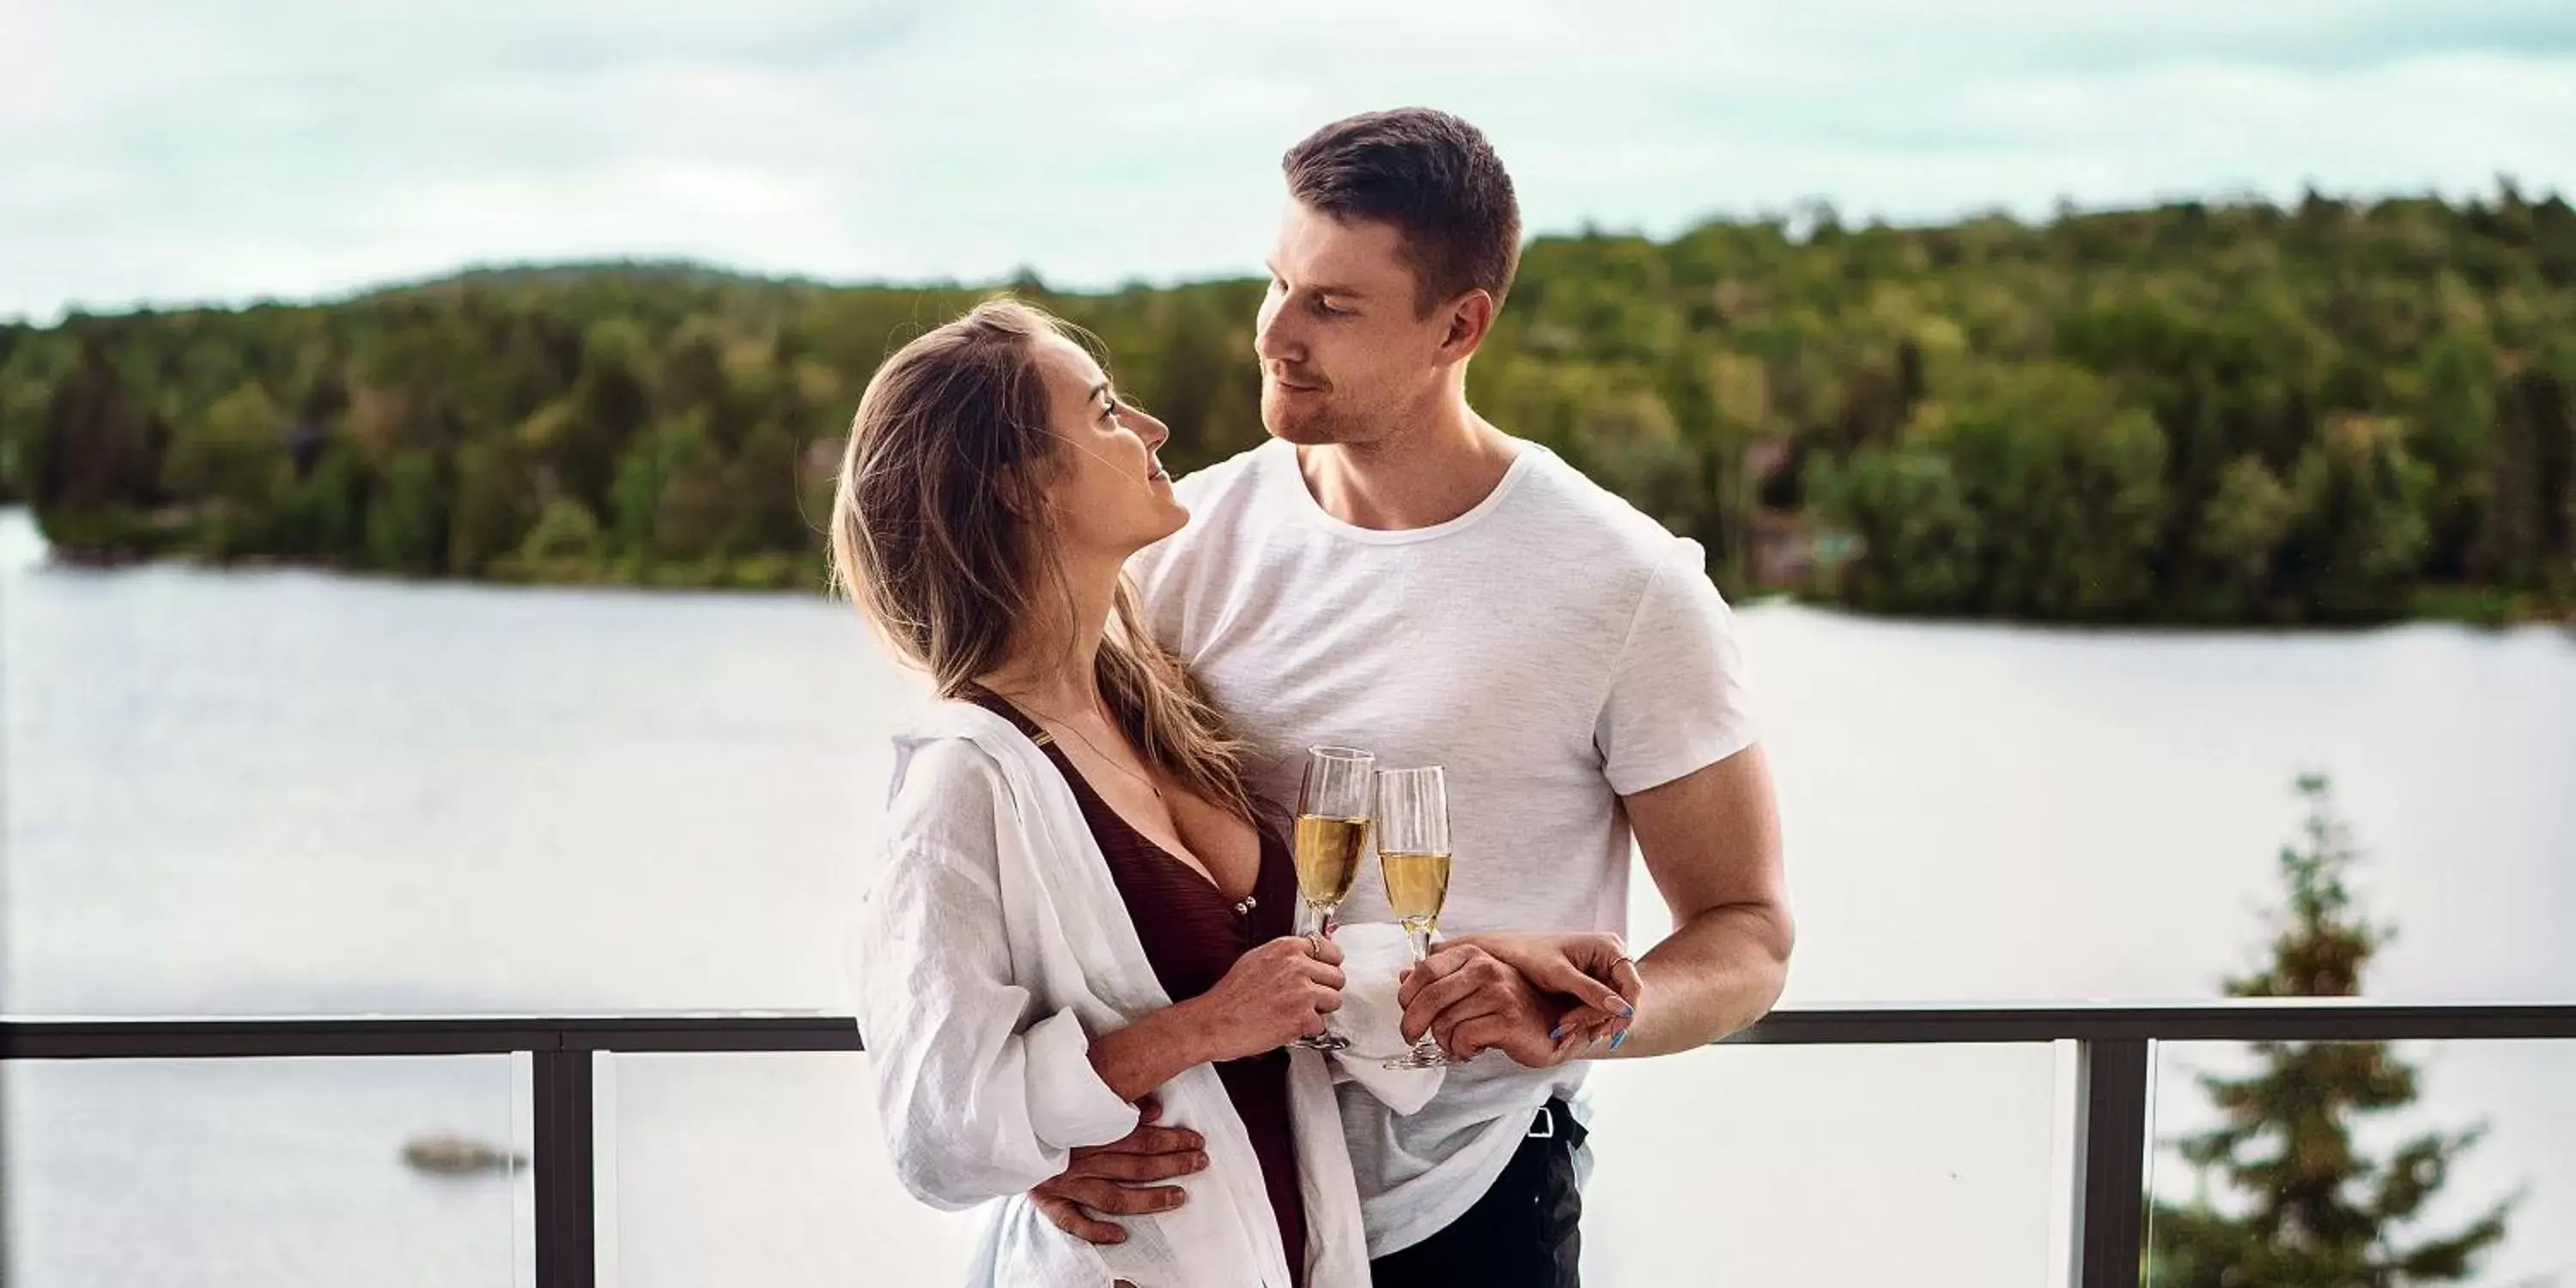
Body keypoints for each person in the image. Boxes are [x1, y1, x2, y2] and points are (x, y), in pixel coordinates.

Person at [1031, 107, 1794, 1287]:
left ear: (1460, 324)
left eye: (1332, 305)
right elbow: (1036, 873)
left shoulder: (1626, 585)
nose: (1277, 334)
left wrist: (1594, 1013)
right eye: (1274, 284)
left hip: (1469, 1208)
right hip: (1204, 1193)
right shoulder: (1173, 552)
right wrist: (1035, 1128)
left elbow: (1746, 934)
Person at [834, 299, 1385, 1286]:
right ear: (1022, 489)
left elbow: (1294, 994)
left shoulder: (1156, 707)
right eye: (1102, 413)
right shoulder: (965, 774)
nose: (1150, 430)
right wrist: (1200, 1030)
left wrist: (1508, 961)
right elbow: (937, 1129)